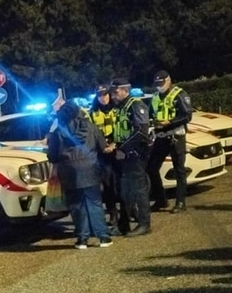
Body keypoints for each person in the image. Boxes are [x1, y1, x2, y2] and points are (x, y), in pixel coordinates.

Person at [47, 96, 112, 248]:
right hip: (91, 168)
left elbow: (53, 155)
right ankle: (103, 236)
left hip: (68, 171)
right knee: (94, 202)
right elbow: (103, 147)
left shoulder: (57, 132)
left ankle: (82, 238)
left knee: (76, 204)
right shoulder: (90, 126)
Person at [111, 77, 154, 236]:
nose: (113, 96)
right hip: (125, 155)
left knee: (139, 191)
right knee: (125, 192)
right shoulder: (121, 108)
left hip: (136, 154)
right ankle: (124, 225)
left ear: (125, 91)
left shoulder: (136, 105)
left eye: (116, 92)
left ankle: (144, 224)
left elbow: (141, 133)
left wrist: (122, 148)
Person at [147, 69, 193, 213]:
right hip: (161, 136)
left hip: (176, 136)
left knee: (179, 169)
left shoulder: (179, 94)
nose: (159, 86)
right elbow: (150, 114)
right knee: (151, 168)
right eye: (157, 84)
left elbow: (187, 115)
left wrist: (170, 122)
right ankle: (161, 200)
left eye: (162, 83)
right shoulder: (154, 97)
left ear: (169, 80)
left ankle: (180, 202)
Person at [89, 85, 127, 235]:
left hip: (118, 150)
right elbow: (91, 133)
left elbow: (122, 129)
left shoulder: (117, 110)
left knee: (122, 183)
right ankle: (113, 214)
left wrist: (115, 144)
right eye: (100, 95)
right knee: (108, 186)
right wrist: (102, 146)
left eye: (105, 95)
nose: (103, 98)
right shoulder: (92, 113)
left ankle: (130, 211)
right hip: (102, 153)